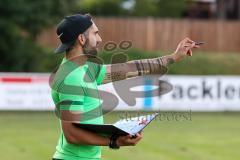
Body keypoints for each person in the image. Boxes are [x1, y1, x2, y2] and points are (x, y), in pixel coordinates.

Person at [51, 13, 200, 160]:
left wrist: (173, 57)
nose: (100, 39)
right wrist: (114, 141)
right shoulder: (71, 77)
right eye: (95, 34)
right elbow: (72, 134)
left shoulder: (85, 69)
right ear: (82, 39)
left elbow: (128, 69)